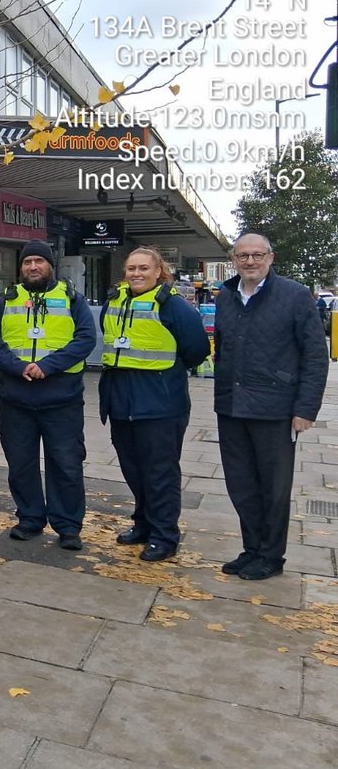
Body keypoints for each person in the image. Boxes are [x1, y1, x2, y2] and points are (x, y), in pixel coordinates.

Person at [214, 233, 328, 581]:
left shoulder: (294, 295)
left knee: (274, 488)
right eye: (243, 256)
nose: (250, 262)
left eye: (257, 255)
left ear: (270, 258)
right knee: (241, 485)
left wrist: (305, 409)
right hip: (231, 407)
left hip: (275, 408)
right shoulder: (226, 296)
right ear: (233, 259)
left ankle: (271, 556)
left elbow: (315, 355)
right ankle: (251, 549)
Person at [0, 239, 96, 550]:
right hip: (16, 400)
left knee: (66, 464)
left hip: (62, 401)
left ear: (50, 266)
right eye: (28, 262)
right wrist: (18, 367)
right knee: (21, 463)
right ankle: (30, 518)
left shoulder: (72, 297)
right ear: (21, 268)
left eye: (39, 262)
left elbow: (85, 339)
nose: (33, 267)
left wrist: (47, 366)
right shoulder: (9, 297)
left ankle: (68, 525)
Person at [99, 246, 210, 561]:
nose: (136, 274)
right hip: (121, 402)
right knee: (134, 470)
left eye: (143, 268)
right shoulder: (114, 302)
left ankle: (165, 536)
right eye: (131, 268)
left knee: (160, 473)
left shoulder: (174, 306)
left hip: (159, 405)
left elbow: (197, 349)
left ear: (158, 271)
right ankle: (143, 525)